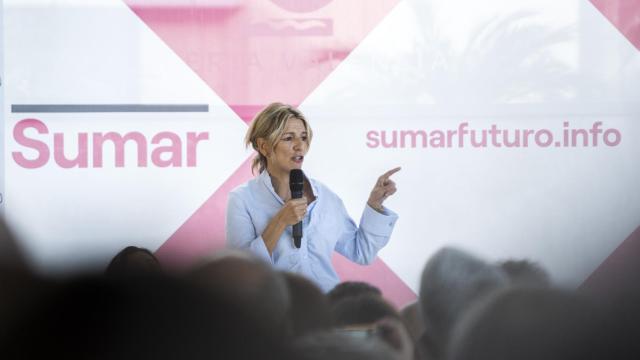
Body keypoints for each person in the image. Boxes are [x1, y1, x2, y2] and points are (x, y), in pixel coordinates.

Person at [226, 102, 400, 292]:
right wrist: (280, 221)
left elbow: (361, 251)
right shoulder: (242, 199)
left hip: (327, 309)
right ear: (264, 146)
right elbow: (240, 271)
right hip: (276, 311)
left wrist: (374, 204)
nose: (300, 146)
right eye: (288, 138)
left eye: (303, 137)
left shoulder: (325, 196)